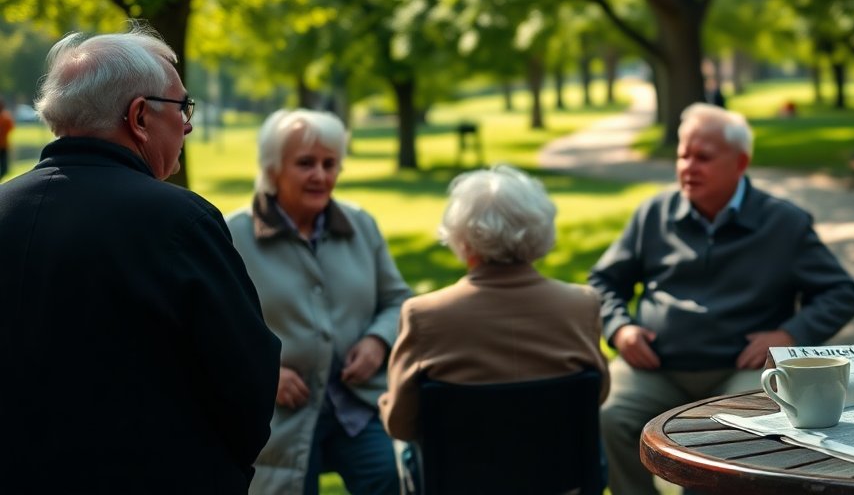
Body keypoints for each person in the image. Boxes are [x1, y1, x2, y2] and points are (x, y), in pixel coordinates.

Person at [0, 25, 280, 493]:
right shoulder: (180, 222)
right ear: (139, 117)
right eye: (182, 107)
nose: (188, 124)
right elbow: (246, 379)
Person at [589, 102, 854, 495]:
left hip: (738, 370)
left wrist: (789, 334)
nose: (688, 166)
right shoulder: (653, 214)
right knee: (608, 416)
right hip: (656, 366)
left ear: (740, 162)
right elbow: (603, 281)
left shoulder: (784, 222)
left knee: (726, 435)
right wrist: (620, 329)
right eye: (683, 155)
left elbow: (841, 292)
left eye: (703, 157)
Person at [227, 109, 411, 495]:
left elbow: (398, 300)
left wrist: (378, 341)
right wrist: (265, 372)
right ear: (273, 168)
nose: (321, 176)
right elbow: (216, 329)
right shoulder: (234, 235)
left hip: (358, 406)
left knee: (395, 479)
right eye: (306, 163)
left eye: (330, 164)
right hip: (277, 416)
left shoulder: (361, 225)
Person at [380, 164, 609, 439]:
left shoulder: (424, 315)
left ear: (462, 238)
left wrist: (382, 402)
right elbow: (599, 394)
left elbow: (400, 425)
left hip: (460, 479)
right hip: (562, 476)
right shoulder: (581, 304)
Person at [0, 98, 14, 180]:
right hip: (3, 145)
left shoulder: (6, 118)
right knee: (4, 168)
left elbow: (10, 128)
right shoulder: (6, 118)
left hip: (3, 146)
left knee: (4, 168)